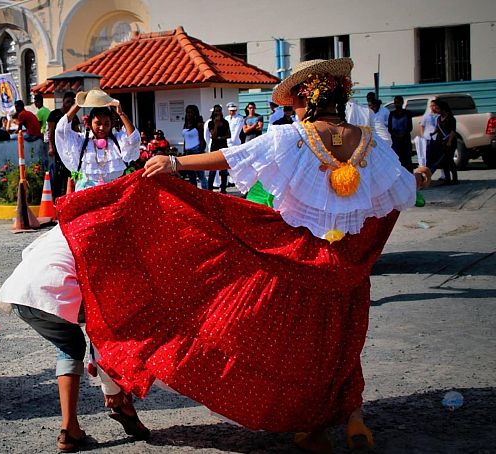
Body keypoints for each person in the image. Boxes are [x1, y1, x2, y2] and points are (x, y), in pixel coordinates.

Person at [54, 58, 432, 454]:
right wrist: (422, 175)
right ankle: (353, 417)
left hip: (296, 264)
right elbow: (402, 186)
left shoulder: (293, 138)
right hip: (346, 272)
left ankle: (315, 426)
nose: (293, 111)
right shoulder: (369, 142)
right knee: (340, 344)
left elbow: (234, 156)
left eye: (295, 104)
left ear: (308, 99)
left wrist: (175, 162)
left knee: (295, 347)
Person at [0, 89, 147, 453]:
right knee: (104, 328)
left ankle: (71, 429)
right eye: (97, 119)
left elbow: (132, 149)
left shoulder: (114, 148)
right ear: (87, 121)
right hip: (87, 225)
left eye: (105, 120)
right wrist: (80, 104)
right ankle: (115, 400)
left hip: (25, 287)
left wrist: (122, 114)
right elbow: (60, 130)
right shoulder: (76, 143)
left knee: (76, 343)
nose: (101, 124)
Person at [47, 91, 79, 199]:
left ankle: (69, 197)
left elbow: (77, 132)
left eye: (72, 102)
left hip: (70, 150)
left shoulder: (74, 117)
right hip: (58, 149)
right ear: (63, 102)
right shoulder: (54, 114)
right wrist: (51, 147)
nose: (69, 104)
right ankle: (56, 198)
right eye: (68, 102)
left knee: (70, 174)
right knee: (58, 175)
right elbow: (50, 131)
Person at [205, 105, 231, 193]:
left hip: (223, 146)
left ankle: (223, 189)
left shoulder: (225, 122)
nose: (218, 113)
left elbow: (229, 135)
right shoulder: (211, 123)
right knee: (213, 169)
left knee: (223, 170)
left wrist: (221, 138)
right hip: (215, 147)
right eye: (216, 111)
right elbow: (213, 135)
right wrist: (216, 124)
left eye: (219, 111)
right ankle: (210, 189)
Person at [181, 104, 207, 189]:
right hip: (188, 151)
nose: (189, 114)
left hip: (196, 150)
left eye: (191, 112)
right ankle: (194, 191)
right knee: (191, 175)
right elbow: (185, 139)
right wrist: (184, 150)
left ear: (195, 113)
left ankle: (205, 191)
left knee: (200, 174)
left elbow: (202, 138)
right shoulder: (186, 124)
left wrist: (201, 150)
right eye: (187, 112)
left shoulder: (198, 124)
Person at [434, 100, 459, 185]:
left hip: (450, 142)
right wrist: (432, 133)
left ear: (443, 109)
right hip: (441, 141)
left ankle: (455, 179)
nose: (436, 110)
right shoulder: (438, 118)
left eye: (437, 108)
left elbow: (453, 131)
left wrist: (449, 141)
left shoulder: (451, 118)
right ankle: (447, 179)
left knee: (449, 160)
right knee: (443, 161)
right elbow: (438, 129)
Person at [388, 96, 413, 171]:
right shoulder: (392, 114)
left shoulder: (407, 113)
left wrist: (403, 135)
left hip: (405, 141)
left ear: (402, 103)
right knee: (396, 159)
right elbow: (390, 128)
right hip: (395, 141)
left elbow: (410, 127)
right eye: (395, 103)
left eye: (398, 103)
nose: (396, 104)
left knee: (407, 160)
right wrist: (395, 135)